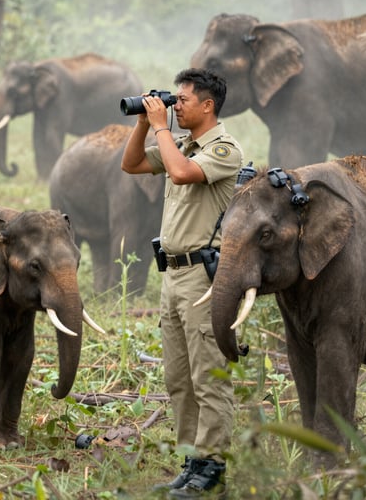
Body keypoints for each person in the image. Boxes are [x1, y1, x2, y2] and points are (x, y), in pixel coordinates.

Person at [121, 68, 242, 497]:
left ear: (208, 105)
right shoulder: (184, 145)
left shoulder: (224, 149)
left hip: (204, 278)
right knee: (179, 376)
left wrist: (160, 128)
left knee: (209, 374)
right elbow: (132, 163)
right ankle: (193, 459)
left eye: (183, 100)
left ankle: (213, 465)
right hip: (172, 274)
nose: (176, 107)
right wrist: (143, 124)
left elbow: (181, 173)